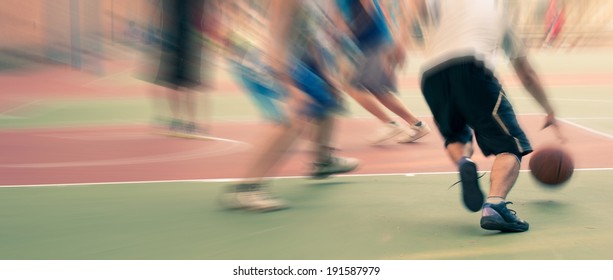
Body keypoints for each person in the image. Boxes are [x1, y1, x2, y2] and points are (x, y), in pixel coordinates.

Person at [419, 0, 565, 232]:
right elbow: (526, 72)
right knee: (511, 145)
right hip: (471, 67)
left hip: (431, 75)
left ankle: (464, 162)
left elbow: (419, 9)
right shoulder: (499, 11)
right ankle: (495, 206)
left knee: (456, 135)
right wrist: (549, 109)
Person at [218, 0, 359, 212]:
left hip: (284, 54)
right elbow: (275, 42)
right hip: (258, 55)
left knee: (324, 97)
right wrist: (290, 87)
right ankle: (247, 189)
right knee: (294, 116)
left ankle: (323, 161)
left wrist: (327, 76)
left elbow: (311, 36)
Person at [334, 0, 431, 145]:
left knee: (352, 86)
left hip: (373, 42)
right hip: (371, 42)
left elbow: (370, 8)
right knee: (376, 90)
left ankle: (392, 123)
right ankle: (416, 124)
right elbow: (381, 10)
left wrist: (348, 30)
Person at [154, 0, 211, 137]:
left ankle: (189, 121)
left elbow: (204, 14)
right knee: (176, 83)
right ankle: (179, 120)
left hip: (187, 39)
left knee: (188, 83)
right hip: (174, 38)